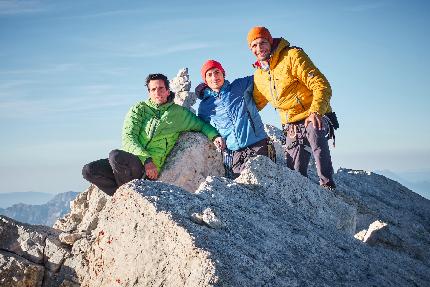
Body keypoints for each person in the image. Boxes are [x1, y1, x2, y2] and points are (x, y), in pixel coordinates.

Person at [82, 73, 224, 195]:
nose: (157, 92)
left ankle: (129, 198)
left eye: (161, 88)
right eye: (153, 89)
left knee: (115, 156)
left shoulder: (178, 114)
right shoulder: (139, 109)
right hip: (133, 162)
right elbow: (128, 137)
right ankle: (124, 196)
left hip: (147, 171)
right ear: (149, 92)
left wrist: (215, 136)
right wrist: (146, 160)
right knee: (89, 170)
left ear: (168, 91)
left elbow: (201, 125)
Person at [247, 26, 337, 189]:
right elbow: (256, 104)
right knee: (294, 175)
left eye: (262, 43)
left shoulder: (292, 56)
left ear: (270, 41)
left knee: (314, 130)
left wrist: (316, 111)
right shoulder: (259, 75)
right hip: (292, 126)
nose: (259, 48)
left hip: (315, 114)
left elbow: (321, 85)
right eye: (254, 45)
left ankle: (327, 184)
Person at [196, 60, 274, 179]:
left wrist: (263, 63)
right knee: (241, 187)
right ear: (205, 81)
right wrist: (215, 136)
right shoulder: (205, 105)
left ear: (223, 73)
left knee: (263, 182)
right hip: (234, 152)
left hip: (258, 144)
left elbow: (262, 77)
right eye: (209, 75)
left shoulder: (240, 85)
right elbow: (202, 126)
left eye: (217, 72)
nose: (214, 77)